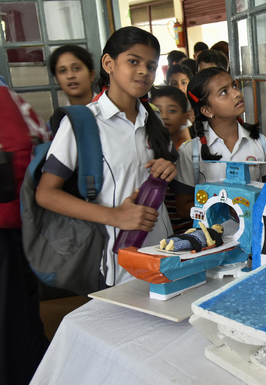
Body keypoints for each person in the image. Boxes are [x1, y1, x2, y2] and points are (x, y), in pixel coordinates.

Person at [35, 26, 177, 287]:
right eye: (133, 61)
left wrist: (167, 168)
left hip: (163, 249)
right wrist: (115, 216)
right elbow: (46, 194)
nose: (144, 71)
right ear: (108, 63)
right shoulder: (83, 122)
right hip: (116, 260)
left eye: (151, 65)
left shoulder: (153, 116)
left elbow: (160, 169)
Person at [0, 76, 51, 385]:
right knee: (20, 313)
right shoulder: (6, 89)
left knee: (12, 318)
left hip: (7, 223)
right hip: (16, 220)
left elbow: (17, 148)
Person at [173, 67, 266, 219]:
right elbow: (183, 206)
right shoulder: (191, 151)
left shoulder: (260, 142)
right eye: (224, 92)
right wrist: (225, 211)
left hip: (255, 236)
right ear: (207, 110)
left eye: (234, 86)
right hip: (214, 239)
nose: (237, 93)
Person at [151, 86, 193, 233]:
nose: (164, 116)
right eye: (157, 110)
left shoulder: (190, 151)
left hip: (187, 228)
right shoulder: (148, 151)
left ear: (184, 117)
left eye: (172, 111)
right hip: (156, 229)